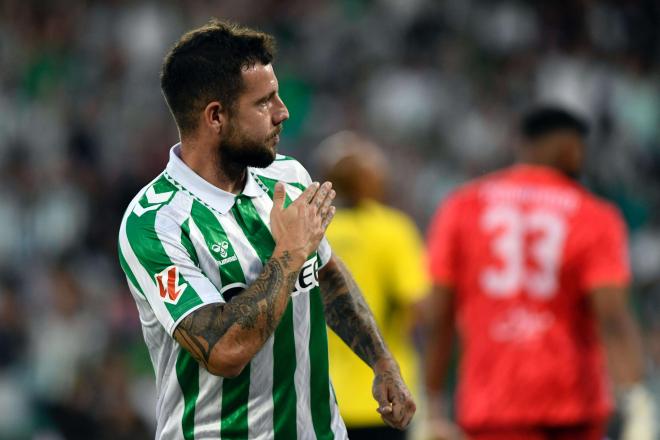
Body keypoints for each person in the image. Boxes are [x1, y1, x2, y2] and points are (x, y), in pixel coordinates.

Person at [117, 20, 415, 439]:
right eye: (264, 103)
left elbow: (326, 275)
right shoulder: (155, 222)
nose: (283, 112)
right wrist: (290, 250)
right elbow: (224, 351)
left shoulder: (288, 178)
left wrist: (383, 361)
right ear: (216, 116)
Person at [424, 107, 657, 440]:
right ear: (568, 148)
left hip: (494, 402)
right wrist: (636, 397)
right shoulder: (594, 214)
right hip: (575, 402)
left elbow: (439, 316)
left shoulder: (461, 207)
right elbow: (614, 317)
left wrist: (431, 401)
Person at [316, 132, 430, 440]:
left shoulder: (314, 228)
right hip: (383, 398)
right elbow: (418, 306)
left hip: (319, 397)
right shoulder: (392, 230)